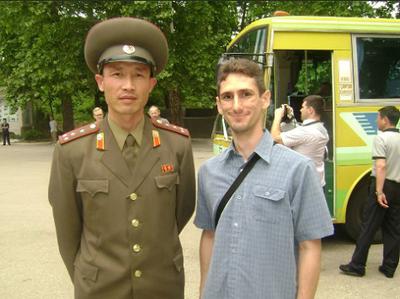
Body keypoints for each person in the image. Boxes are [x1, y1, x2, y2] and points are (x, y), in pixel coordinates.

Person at [48, 17, 196, 299]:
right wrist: (87, 276)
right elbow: (68, 234)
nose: (128, 85)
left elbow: (181, 211)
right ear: (100, 82)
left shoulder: (177, 144)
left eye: (138, 74)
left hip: (162, 287)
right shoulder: (72, 151)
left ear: (151, 84)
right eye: (117, 74)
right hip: (100, 289)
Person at [194, 58, 333, 299]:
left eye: (246, 94)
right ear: (218, 105)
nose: (236, 105)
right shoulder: (209, 172)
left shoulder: (298, 170)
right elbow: (209, 236)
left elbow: (309, 246)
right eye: (227, 97)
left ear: (265, 99)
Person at [340, 106, 400, 278]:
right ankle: (389, 267)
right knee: (393, 228)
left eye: (378, 118)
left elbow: (381, 165)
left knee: (368, 226)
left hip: (382, 186)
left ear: (385, 120)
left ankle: (357, 265)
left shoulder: (381, 139)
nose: (376, 121)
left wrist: (379, 191)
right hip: (397, 187)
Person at [271, 95, 329, 187]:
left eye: (303, 107)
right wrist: (290, 118)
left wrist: (277, 116)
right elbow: (297, 131)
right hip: (317, 183)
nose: (300, 110)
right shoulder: (321, 129)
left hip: (305, 186)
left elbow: (275, 138)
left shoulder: (306, 132)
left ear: (310, 110)